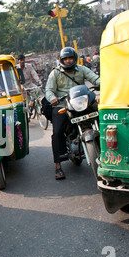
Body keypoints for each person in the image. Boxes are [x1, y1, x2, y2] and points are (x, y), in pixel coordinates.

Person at [45, 47, 100, 180]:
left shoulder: (82, 69)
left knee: (104, 117)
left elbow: (95, 79)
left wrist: (103, 83)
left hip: (81, 102)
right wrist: (52, 98)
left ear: (74, 58)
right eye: (65, 59)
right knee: (57, 132)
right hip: (62, 105)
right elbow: (49, 90)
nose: (68, 61)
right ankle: (58, 165)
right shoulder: (55, 73)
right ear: (61, 60)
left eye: (70, 58)